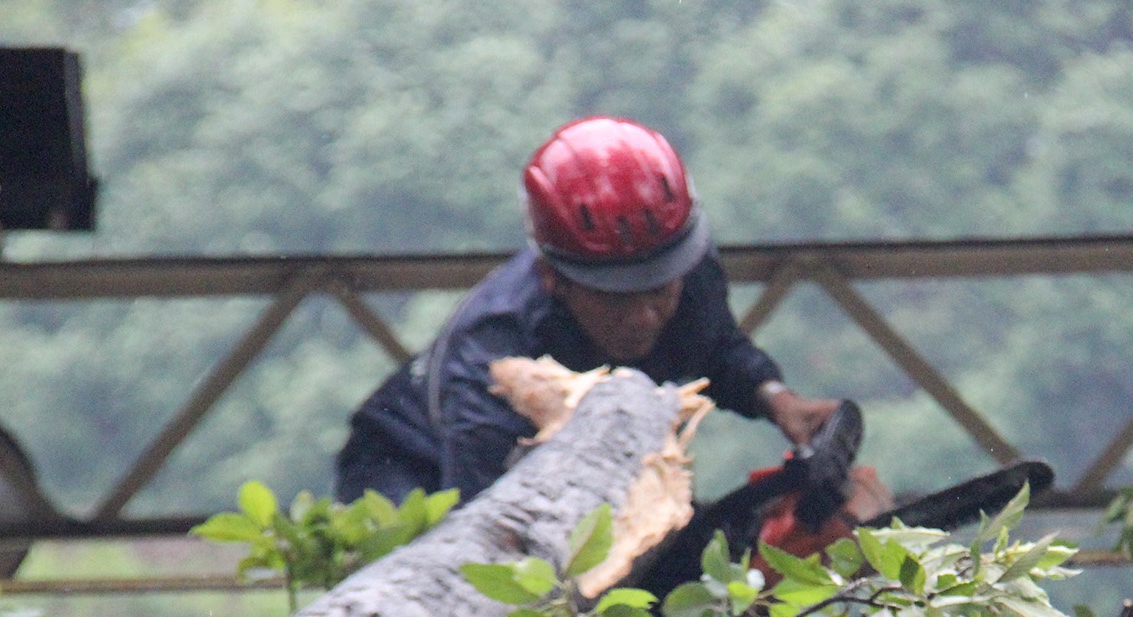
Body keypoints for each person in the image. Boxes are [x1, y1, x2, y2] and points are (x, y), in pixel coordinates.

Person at [336, 116, 839, 504]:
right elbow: (484, 520)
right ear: (555, 279)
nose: (645, 317)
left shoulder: (687, 270)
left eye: (658, 291)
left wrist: (776, 399)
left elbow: (714, 348)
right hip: (411, 466)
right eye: (616, 298)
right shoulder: (491, 357)